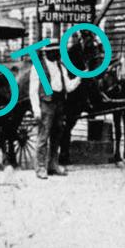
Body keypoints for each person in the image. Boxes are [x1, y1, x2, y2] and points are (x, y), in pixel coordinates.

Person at [28, 41, 80, 180]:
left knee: (57, 135)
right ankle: (40, 167)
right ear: (48, 52)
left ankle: (53, 164)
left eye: (58, 51)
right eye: (56, 52)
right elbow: (33, 90)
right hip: (46, 104)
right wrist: (36, 109)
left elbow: (68, 86)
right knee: (43, 136)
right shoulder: (38, 67)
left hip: (59, 103)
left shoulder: (60, 66)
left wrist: (80, 77)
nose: (58, 54)